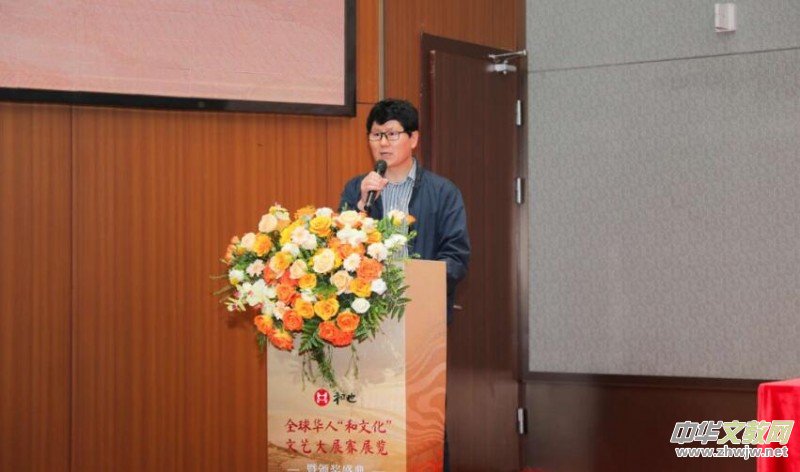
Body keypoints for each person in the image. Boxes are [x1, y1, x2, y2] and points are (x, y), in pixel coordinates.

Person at [338, 98, 470, 321]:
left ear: (413, 138)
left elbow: (456, 257)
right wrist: (360, 206)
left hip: (423, 310)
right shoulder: (356, 188)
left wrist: (413, 284)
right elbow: (340, 248)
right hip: (367, 313)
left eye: (392, 134)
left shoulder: (443, 192)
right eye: (376, 135)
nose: (383, 143)